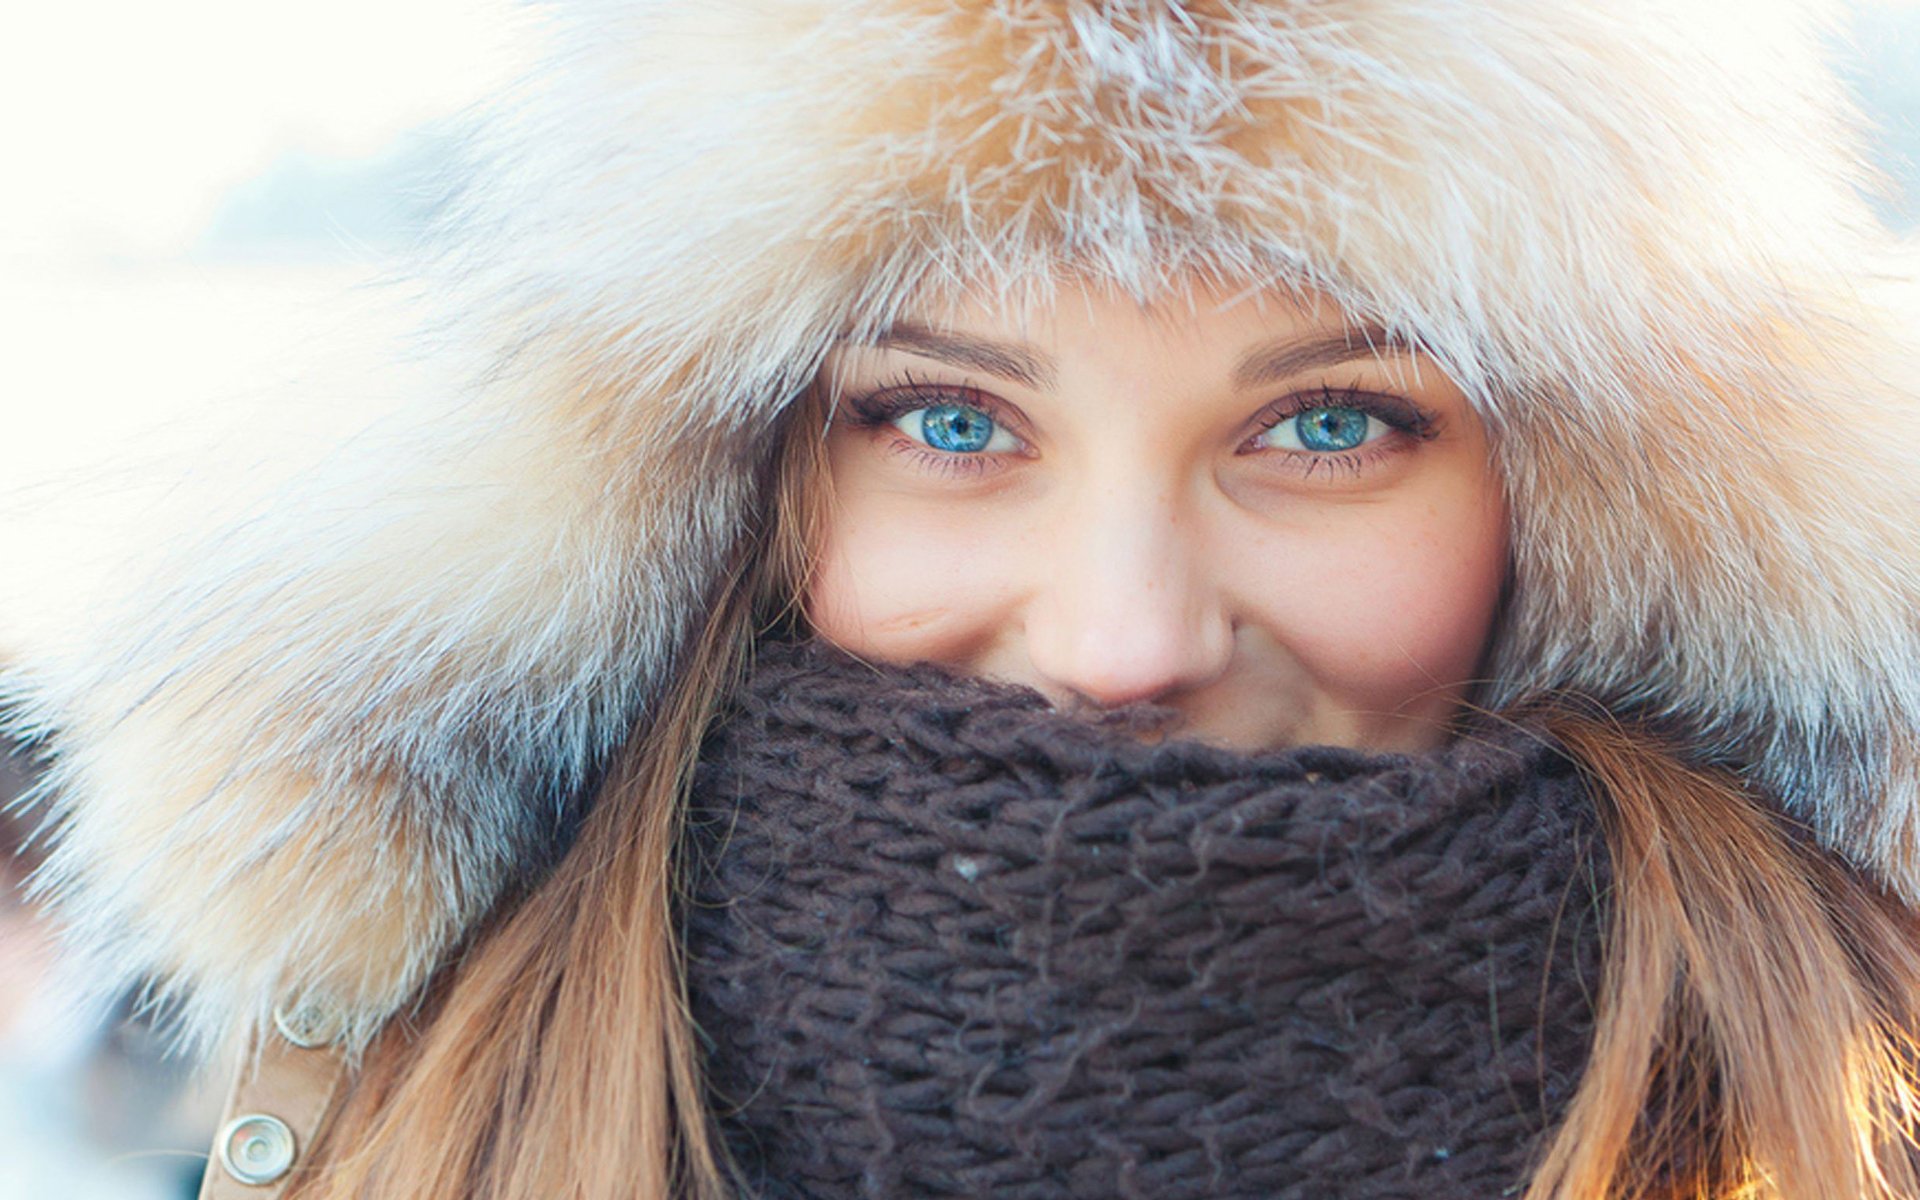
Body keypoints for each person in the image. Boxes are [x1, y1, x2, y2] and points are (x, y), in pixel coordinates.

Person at [7, 2, 1920, 1198]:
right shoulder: (412, 1104)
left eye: (1332, 422)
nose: (1120, 643)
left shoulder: (1849, 1102)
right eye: (949, 417)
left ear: (1593, 517)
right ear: (731, 488)